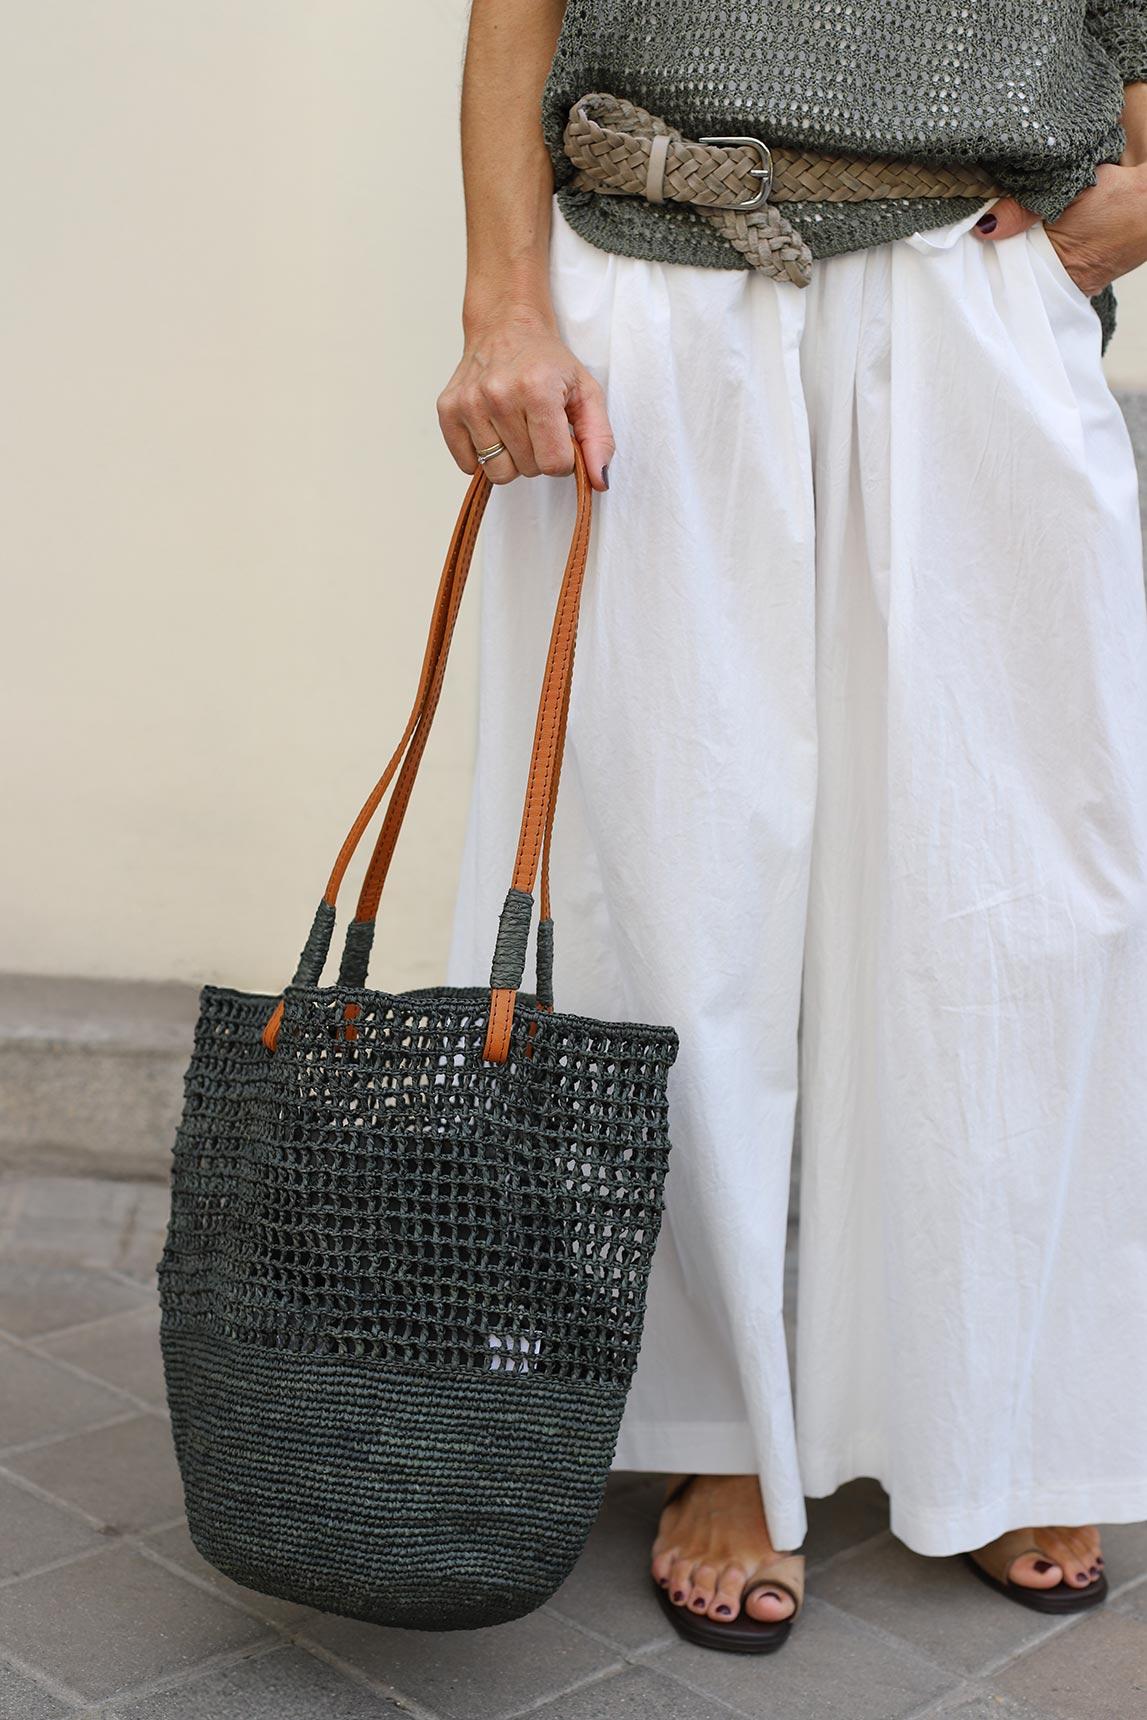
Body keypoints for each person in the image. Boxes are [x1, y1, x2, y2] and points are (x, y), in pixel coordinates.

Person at [440, 0, 1147, 1653]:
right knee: (675, 888)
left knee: (1015, 893)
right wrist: (504, 305)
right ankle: (722, 1424)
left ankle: (999, 1404)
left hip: (977, 288)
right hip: (657, 289)